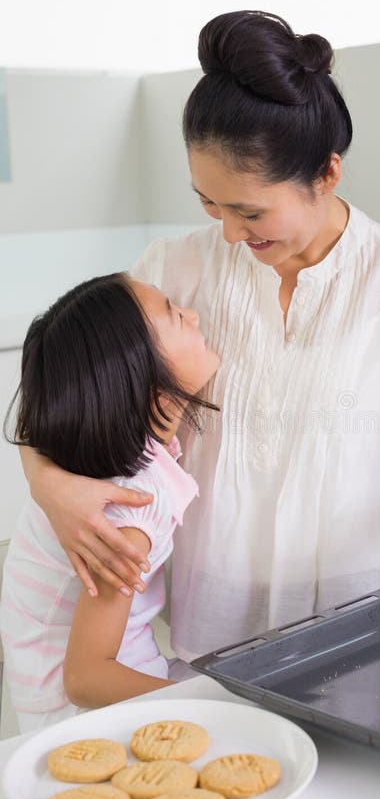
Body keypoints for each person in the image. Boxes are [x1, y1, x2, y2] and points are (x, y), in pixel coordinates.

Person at [20, 11, 380, 671]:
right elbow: (76, 395)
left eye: (249, 211)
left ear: (327, 175)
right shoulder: (172, 273)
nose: (227, 233)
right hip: (211, 629)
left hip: (362, 624)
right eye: (209, 204)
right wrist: (50, 484)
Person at [0, 273, 219, 731]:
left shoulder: (87, 454)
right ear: (152, 388)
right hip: (80, 720)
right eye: (178, 316)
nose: (195, 315)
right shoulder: (133, 505)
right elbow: (86, 677)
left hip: (47, 693)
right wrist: (211, 708)